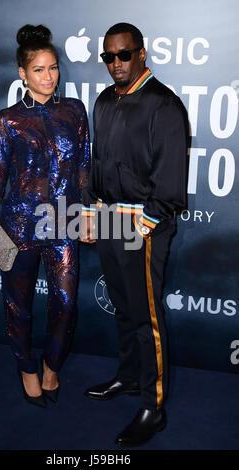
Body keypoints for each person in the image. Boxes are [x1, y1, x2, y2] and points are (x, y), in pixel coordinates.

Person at [0, 24, 90, 408]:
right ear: (22, 73)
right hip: (13, 229)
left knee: (66, 305)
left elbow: (84, 169)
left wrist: (89, 214)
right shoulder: (7, 120)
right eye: (38, 69)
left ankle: (52, 364)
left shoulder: (75, 111)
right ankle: (27, 370)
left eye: (53, 68)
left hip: (64, 224)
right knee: (16, 306)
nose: (48, 76)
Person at [81, 22, 188, 445]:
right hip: (108, 220)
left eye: (123, 55)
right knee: (123, 309)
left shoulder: (164, 105)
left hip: (143, 226)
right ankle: (127, 377)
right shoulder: (105, 100)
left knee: (147, 320)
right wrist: (91, 212)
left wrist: (141, 228)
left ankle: (152, 406)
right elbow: (98, 161)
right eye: (108, 57)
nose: (115, 64)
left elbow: (170, 186)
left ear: (141, 54)